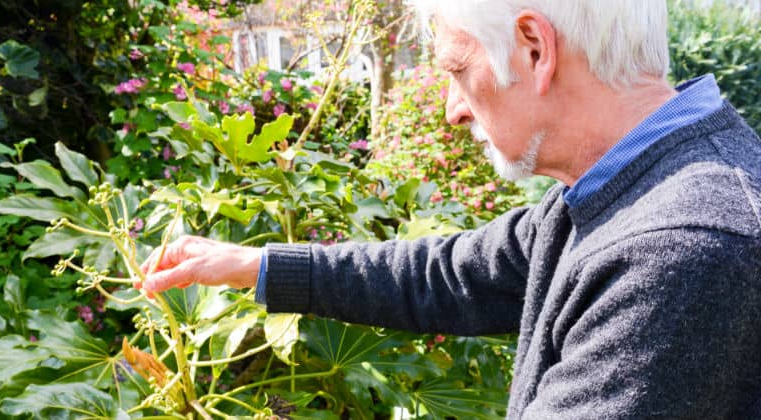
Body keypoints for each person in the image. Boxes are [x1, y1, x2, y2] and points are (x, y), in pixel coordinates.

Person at [138, 1, 761, 418]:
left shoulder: (682, 247)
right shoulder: (620, 190)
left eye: (458, 71)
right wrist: (255, 265)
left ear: (534, 48)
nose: (452, 110)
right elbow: (452, 273)